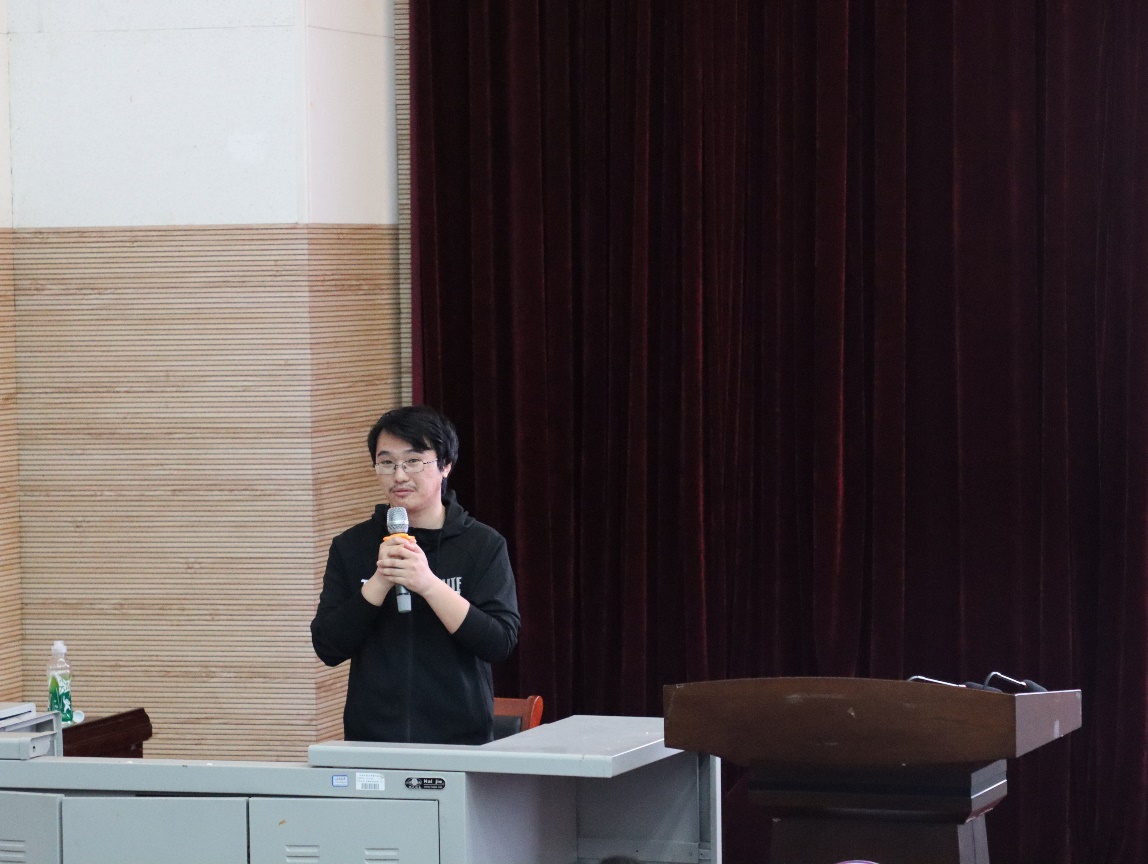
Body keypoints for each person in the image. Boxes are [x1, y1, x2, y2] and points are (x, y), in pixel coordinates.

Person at [311, 405, 520, 744]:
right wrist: (379, 582)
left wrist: (429, 585)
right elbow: (328, 647)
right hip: (371, 742)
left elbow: (498, 642)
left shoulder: (482, 545)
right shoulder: (352, 546)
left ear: (445, 465)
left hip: (460, 740)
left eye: (413, 461)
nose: (399, 476)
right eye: (387, 463)